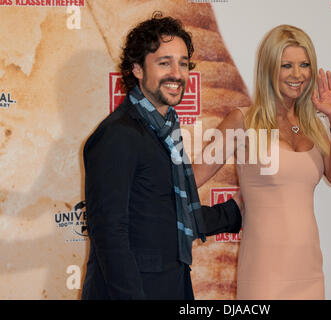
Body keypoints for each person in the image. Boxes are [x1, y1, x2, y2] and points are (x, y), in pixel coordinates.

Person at [81, 13, 243, 300]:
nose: (177, 74)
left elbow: (166, 214)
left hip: (173, 285)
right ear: (138, 70)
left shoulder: (165, 131)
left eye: (183, 64)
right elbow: (110, 234)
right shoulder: (118, 135)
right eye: (164, 62)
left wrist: (234, 213)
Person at [192, 24, 331, 299]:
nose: (298, 74)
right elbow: (192, 178)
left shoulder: (312, 125)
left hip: (309, 270)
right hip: (264, 273)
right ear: (268, 69)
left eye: (304, 64)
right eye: (286, 65)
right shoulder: (242, 121)